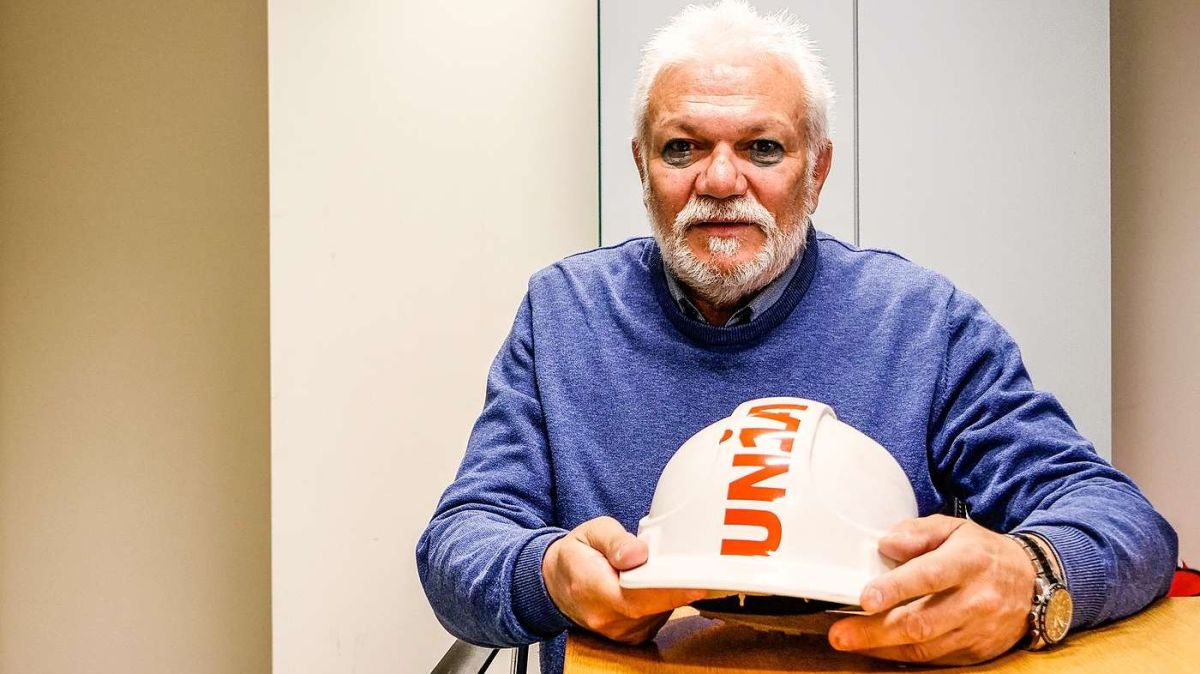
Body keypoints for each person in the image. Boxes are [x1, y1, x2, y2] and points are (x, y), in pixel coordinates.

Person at [416, 2, 1178, 672]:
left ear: (817, 170)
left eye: (763, 148)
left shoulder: (920, 321)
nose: (720, 182)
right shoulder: (563, 313)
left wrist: (1032, 577)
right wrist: (545, 572)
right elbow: (459, 542)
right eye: (682, 148)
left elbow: (1121, 519)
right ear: (642, 168)